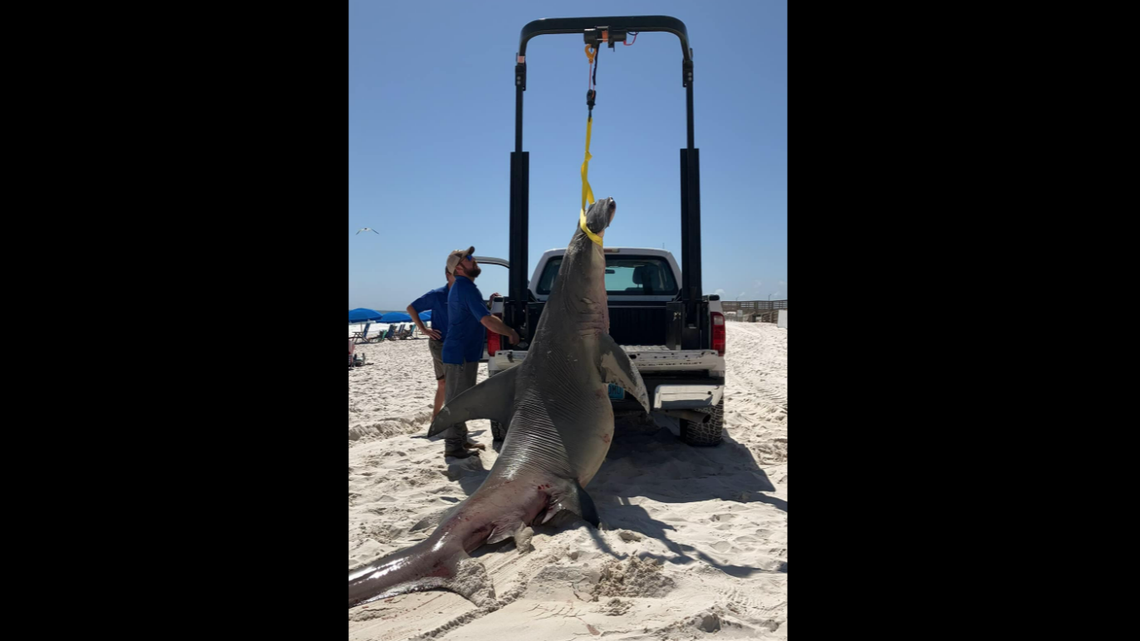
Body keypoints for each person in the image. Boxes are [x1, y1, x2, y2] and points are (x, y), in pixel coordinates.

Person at [440, 246, 519, 459]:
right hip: (459, 354)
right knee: (457, 400)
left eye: (472, 257)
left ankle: (461, 439)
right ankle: (453, 445)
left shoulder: (465, 287)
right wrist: (510, 331)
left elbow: (477, 313)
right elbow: (486, 321)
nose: (474, 261)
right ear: (458, 268)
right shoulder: (466, 287)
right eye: (468, 258)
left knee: (464, 397)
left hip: (465, 352)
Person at [406, 260, 455, 422]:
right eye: (456, 273)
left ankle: (446, 418)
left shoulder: (465, 293)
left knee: (451, 382)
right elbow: (411, 308)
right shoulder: (437, 294)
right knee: (445, 382)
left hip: (458, 343)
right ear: (448, 275)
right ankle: (438, 418)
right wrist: (423, 329)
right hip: (439, 343)